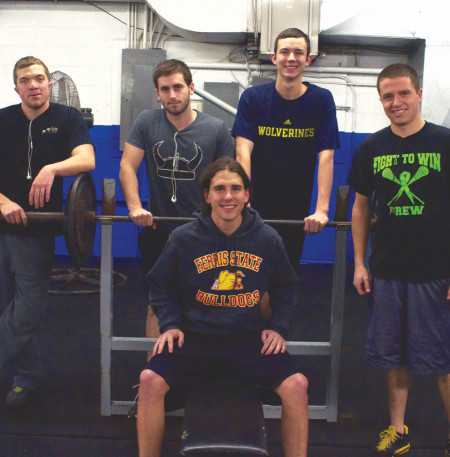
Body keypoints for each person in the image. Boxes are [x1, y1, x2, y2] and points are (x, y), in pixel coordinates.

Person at [137, 157, 309, 457]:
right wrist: (171, 324)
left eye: (235, 188)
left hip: (247, 339)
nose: (228, 196)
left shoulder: (267, 239)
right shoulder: (183, 238)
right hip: (195, 338)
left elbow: (285, 287)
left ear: (247, 194)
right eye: (219, 189)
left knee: (297, 386)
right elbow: (159, 285)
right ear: (206, 195)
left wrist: (278, 329)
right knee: (149, 381)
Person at [349, 63, 450, 456]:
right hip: (387, 271)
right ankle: (398, 429)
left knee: (442, 361)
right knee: (394, 356)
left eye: (403, 94)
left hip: (436, 272)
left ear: (419, 94)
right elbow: (360, 207)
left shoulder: (444, 142)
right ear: (380, 100)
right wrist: (360, 261)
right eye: (388, 96)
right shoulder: (371, 147)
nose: (396, 102)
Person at [0, 56, 95, 406]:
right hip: (1, 222)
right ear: (17, 88)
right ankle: (26, 378)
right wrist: (3, 202)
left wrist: (52, 169)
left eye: (39, 78)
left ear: (49, 84)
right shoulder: (3, 119)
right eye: (25, 80)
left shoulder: (67, 118)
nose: (34, 84)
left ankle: (22, 374)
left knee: (27, 308)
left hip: (34, 231)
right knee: (4, 305)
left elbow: (87, 159)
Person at [119, 59, 235, 340]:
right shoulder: (147, 121)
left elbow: (229, 182)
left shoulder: (217, 128)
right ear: (157, 93)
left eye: (178, 87)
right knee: (156, 307)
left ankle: (197, 372)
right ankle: (152, 377)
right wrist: (135, 207)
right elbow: (127, 167)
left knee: (206, 306)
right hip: (159, 232)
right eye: (165, 89)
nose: (172, 95)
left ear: (191, 88)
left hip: (205, 233)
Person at [232, 27, 339, 269]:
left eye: (298, 53)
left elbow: (327, 156)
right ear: (274, 57)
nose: (291, 58)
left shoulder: (321, 100)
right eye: (285, 52)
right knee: (249, 275)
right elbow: (242, 152)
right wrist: (243, 202)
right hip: (256, 211)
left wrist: (321, 209)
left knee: (285, 277)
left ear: (308, 59)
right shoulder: (253, 98)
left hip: (296, 211)